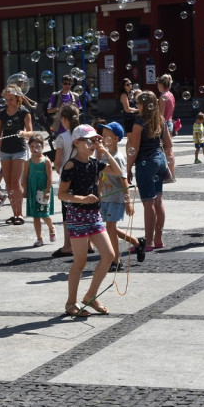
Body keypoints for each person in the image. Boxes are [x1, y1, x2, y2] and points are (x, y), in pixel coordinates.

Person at [58, 124, 122, 317]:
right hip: (77, 216)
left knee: (109, 255)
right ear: (77, 143)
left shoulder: (95, 163)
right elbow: (61, 194)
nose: (93, 144)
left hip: (94, 215)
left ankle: (90, 296)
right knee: (80, 261)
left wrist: (105, 152)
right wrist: (81, 199)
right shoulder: (71, 165)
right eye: (89, 141)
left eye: (95, 140)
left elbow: (118, 171)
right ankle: (71, 303)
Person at [126, 91, 174, 251]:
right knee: (158, 201)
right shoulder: (160, 120)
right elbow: (168, 144)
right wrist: (162, 157)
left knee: (148, 203)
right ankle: (158, 239)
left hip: (146, 164)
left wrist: (127, 169)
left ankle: (148, 242)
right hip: (159, 161)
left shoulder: (139, 123)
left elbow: (135, 147)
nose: (136, 106)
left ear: (144, 105)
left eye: (138, 103)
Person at [98, 122, 144, 268]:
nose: (103, 138)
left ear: (116, 139)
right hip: (106, 197)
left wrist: (128, 202)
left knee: (110, 228)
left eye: (106, 136)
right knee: (109, 228)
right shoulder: (105, 155)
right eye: (103, 135)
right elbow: (100, 176)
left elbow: (124, 181)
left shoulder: (117, 157)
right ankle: (136, 242)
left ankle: (116, 261)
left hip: (116, 198)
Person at [0, 87, 34, 224]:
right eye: (6, 99)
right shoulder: (2, 113)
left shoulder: (24, 112)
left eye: (11, 99)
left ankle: (20, 214)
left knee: (16, 182)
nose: (8, 102)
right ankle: (14, 213)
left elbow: (31, 132)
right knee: (8, 183)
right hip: (5, 150)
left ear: (17, 98)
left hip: (19, 149)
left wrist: (24, 134)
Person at [51, 104, 81, 257]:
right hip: (84, 175)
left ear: (64, 119)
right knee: (84, 209)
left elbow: (57, 162)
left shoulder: (62, 137)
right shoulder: (85, 133)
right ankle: (87, 244)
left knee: (67, 212)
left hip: (67, 177)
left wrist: (58, 169)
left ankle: (68, 245)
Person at [25, 133, 56, 247]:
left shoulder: (46, 161)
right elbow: (25, 176)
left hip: (43, 189)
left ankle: (51, 228)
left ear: (42, 147)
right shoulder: (27, 162)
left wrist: (47, 191)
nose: (35, 149)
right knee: (35, 215)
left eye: (37, 146)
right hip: (33, 189)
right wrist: (25, 190)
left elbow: (50, 177)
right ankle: (39, 238)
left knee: (44, 213)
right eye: (32, 147)